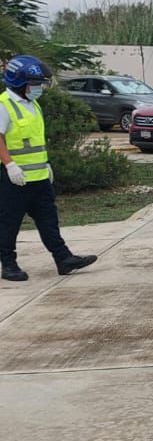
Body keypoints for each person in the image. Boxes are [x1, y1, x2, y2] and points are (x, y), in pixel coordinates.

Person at [0, 55, 97, 283]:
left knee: (48, 221)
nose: (39, 88)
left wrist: (46, 164)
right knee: (9, 223)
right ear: (19, 83)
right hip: (14, 179)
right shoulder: (4, 105)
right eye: (35, 84)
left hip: (39, 176)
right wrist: (10, 165)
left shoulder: (32, 104)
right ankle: (9, 264)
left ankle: (63, 259)